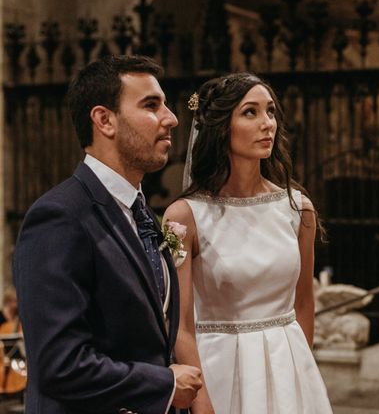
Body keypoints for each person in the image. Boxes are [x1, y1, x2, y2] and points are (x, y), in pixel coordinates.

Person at [13, 55, 203, 414]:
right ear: (104, 120)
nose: (172, 118)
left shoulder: (141, 212)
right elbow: (59, 364)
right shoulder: (60, 216)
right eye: (151, 105)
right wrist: (164, 385)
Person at [164, 73, 332, 413]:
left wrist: (300, 374)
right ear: (222, 126)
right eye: (250, 112)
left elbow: (303, 303)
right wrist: (201, 399)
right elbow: (179, 325)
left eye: (270, 111)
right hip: (219, 368)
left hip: (289, 367)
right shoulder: (184, 217)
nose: (267, 123)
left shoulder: (297, 208)